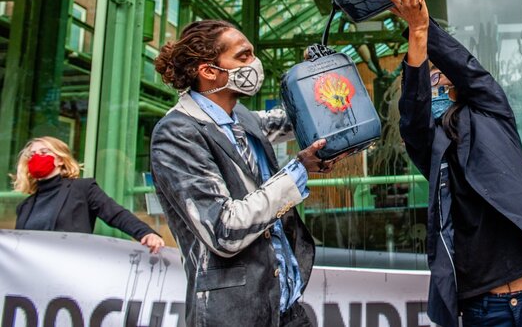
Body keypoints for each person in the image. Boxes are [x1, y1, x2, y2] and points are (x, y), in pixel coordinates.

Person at [379, 0, 522, 327]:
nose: (436, 79)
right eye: (430, 76)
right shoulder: (431, 147)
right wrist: (417, 40)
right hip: (484, 312)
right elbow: (412, 116)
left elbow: (472, 73)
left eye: (442, 73)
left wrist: (425, 27)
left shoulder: (492, 113)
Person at [150, 19, 340, 327]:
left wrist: (316, 79)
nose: (255, 64)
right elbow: (225, 229)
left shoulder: (241, 118)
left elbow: (296, 118)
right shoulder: (177, 134)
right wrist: (299, 170)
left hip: (286, 306)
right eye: (243, 56)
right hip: (235, 315)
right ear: (209, 71)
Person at [12, 136, 165, 253]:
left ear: (59, 159)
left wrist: (146, 233)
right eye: (32, 155)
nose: (36, 157)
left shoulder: (82, 189)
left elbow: (116, 214)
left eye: (43, 152)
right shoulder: (25, 206)